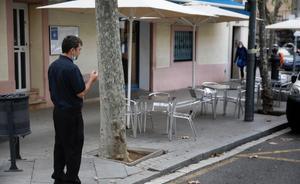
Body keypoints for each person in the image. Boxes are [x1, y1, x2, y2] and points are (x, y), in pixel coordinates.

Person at [48, 35, 98, 184]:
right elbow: (81, 92)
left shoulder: (53, 66)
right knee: (74, 147)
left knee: (60, 144)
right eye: (79, 49)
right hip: (71, 114)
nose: (80, 52)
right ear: (72, 50)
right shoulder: (72, 68)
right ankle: (71, 179)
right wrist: (91, 80)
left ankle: (58, 175)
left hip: (58, 112)